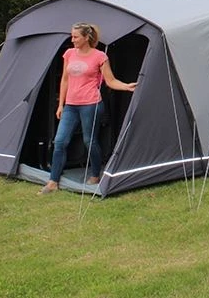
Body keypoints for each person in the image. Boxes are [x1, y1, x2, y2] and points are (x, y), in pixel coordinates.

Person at [39, 23, 137, 194]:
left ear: (86, 38)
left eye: (75, 37)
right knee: (60, 141)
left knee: (89, 141)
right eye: (72, 36)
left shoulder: (100, 56)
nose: (72, 40)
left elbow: (111, 81)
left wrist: (126, 86)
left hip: (91, 105)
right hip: (70, 106)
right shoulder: (69, 54)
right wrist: (61, 104)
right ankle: (53, 182)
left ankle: (95, 174)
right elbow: (65, 80)